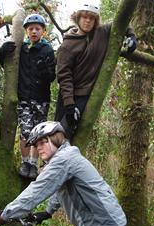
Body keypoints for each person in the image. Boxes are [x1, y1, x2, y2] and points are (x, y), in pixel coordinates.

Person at [0, 121, 127, 226]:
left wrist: (6, 214)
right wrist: (48, 212)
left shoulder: (63, 160)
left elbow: (37, 190)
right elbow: (61, 187)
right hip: (109, 224)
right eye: (36, 145)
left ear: (54, 139)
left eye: (42, 143)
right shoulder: (67, 157)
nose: (38, 148)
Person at [55, 1, 137, 140]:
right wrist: (69, 104)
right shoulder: (68, 45)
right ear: (78, 18)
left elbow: (122, 22)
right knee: (58, 135)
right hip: (68, 96)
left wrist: (131, 37)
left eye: (91, 18)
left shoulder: (102, 33)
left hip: (87, 95)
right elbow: (64, 75)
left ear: (95, 20)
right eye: (84, 17)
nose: (87, 21)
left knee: (74, 135)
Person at [0, 14, 56, 180]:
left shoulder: (47, 49)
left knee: (38, 133)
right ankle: (25, 162)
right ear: (26, 31)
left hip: (41, 98)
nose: (34, 31)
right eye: (31, 29)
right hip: (24, 97)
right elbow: (8, 65)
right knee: (26, 132)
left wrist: (44, 68)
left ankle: (33, 163)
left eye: (37, 28)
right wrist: (2, 52)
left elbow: (51, 76)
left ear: (43, 31)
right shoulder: (21, 48)